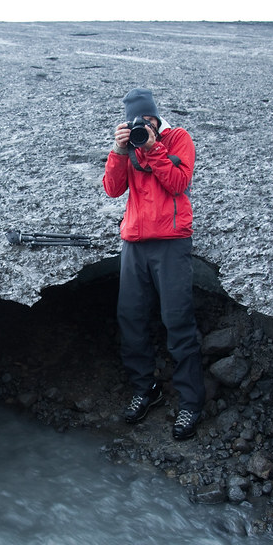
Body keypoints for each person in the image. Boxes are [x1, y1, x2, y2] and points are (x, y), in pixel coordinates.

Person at [102, 87, 205, 440]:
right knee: (130, 319)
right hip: (134, 244)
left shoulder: (178, 139)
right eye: (137, 122)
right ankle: (146, 391)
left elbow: (178, 183)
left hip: (172, 243)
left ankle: (191, 403)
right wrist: (118, 151)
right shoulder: (127, 147)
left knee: (177, 321)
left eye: (149, 120)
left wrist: (152, 147)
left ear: (157, 118)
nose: (143, 126)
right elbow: (112, 189)